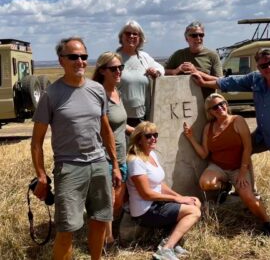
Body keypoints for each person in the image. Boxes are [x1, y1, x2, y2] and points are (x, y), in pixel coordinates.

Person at [191, 48, 270, 226]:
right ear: (258, 66)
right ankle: (246, 189)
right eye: (264, 65)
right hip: (263, 135)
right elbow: (228, 82)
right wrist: (201, 79)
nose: (269, 67)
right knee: (241, 151)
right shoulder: (256, 78)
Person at [31, 37, 122, 260]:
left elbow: (105, 129)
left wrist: (115, 165)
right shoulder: (51, 95)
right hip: (69, 168)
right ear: (61, 60)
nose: (80, 61)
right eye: (73, 57)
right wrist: (41, 175)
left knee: (100, 220)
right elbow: (36, 142)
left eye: (83, 56)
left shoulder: (97, 90)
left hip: (99, 164)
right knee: (67, 229)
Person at [183, 93, 270, 236]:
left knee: (248, 197)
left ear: (226, 104)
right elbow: (204, 154)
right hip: (218, 167)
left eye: (222, 103)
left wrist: (243, 172)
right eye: (215, 107)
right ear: (210, 112)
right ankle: (225, 186)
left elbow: (248, 148)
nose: (220, 108)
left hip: (239, 167)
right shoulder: (209, 127)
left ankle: (268, 222)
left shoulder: (237, 120)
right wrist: (190, 137)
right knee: (205, 183)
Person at [126, 121, 201, 260]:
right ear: (139, 140)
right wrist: (176, 199)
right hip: (145, 210)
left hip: (156, 204)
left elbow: (159, 184)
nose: (153, 138)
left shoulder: (151, 154)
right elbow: (146, 194)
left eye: (155, 134)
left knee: (195, 202)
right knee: (194, 211)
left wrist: (180, 197)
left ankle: (170, 241)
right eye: (148, 136)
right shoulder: (135, 161)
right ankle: (165, 250)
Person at [92, 51, 135, 247]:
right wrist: (114, 162)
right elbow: (104, 129)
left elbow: (119, 124)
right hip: (106, 157)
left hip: (121, 154)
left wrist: (139, 131)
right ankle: (106, 241)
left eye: (120, 67)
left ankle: (104, 233)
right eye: (113, 68)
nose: (118, 71)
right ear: (102, 71)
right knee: (108, 202)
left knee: (117, 201)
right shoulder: (98, 96)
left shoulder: (118, 92)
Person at [117, 20, 165, 128]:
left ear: (140, 38)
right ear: (121, 37)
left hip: (142, 117)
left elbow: (161, 69)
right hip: (120, 117)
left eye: (135, 34)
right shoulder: (115, 58)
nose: (131, 36)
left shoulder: (144, 57)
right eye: (128, 33)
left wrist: (155, 72)